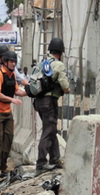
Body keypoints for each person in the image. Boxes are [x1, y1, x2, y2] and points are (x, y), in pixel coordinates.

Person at [33, 38, 70, 176]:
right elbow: (65, 85)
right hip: (49, 101)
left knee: (51, 129)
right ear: (60, 52)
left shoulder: (42, 64)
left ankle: (55, 159)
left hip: (39, 101)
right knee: (49, 131)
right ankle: (41, 162)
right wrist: (67, 89)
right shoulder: (58, 65)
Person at [0, 51, 27, 177]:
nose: (13, 63)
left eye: (15, 61)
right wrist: (12, 100)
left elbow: (16, 90)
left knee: (8, 139)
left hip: (7, 111)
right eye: (11, 61)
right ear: (5, 62)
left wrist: (30, 91)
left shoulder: (12, 75)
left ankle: (3, 166)